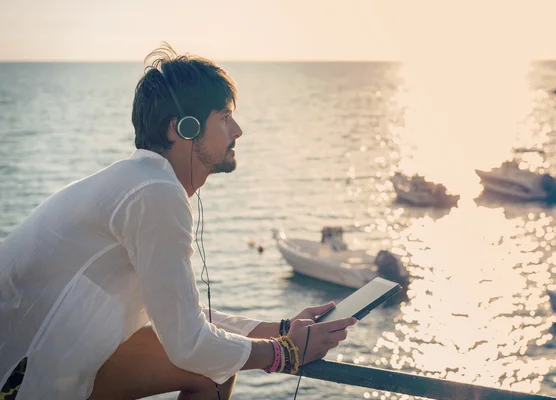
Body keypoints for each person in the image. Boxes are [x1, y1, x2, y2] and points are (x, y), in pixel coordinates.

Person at [0, 43, 356, 399]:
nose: (238, 130)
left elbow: (179, 315)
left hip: (33, 358)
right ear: (183, 129)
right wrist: (285, 352)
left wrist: (279, 330)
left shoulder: (139, 180)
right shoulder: (154, 193)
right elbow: (188, 344)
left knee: (215, 370)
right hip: (14, 381)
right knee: (211, 369)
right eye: (224, 116)